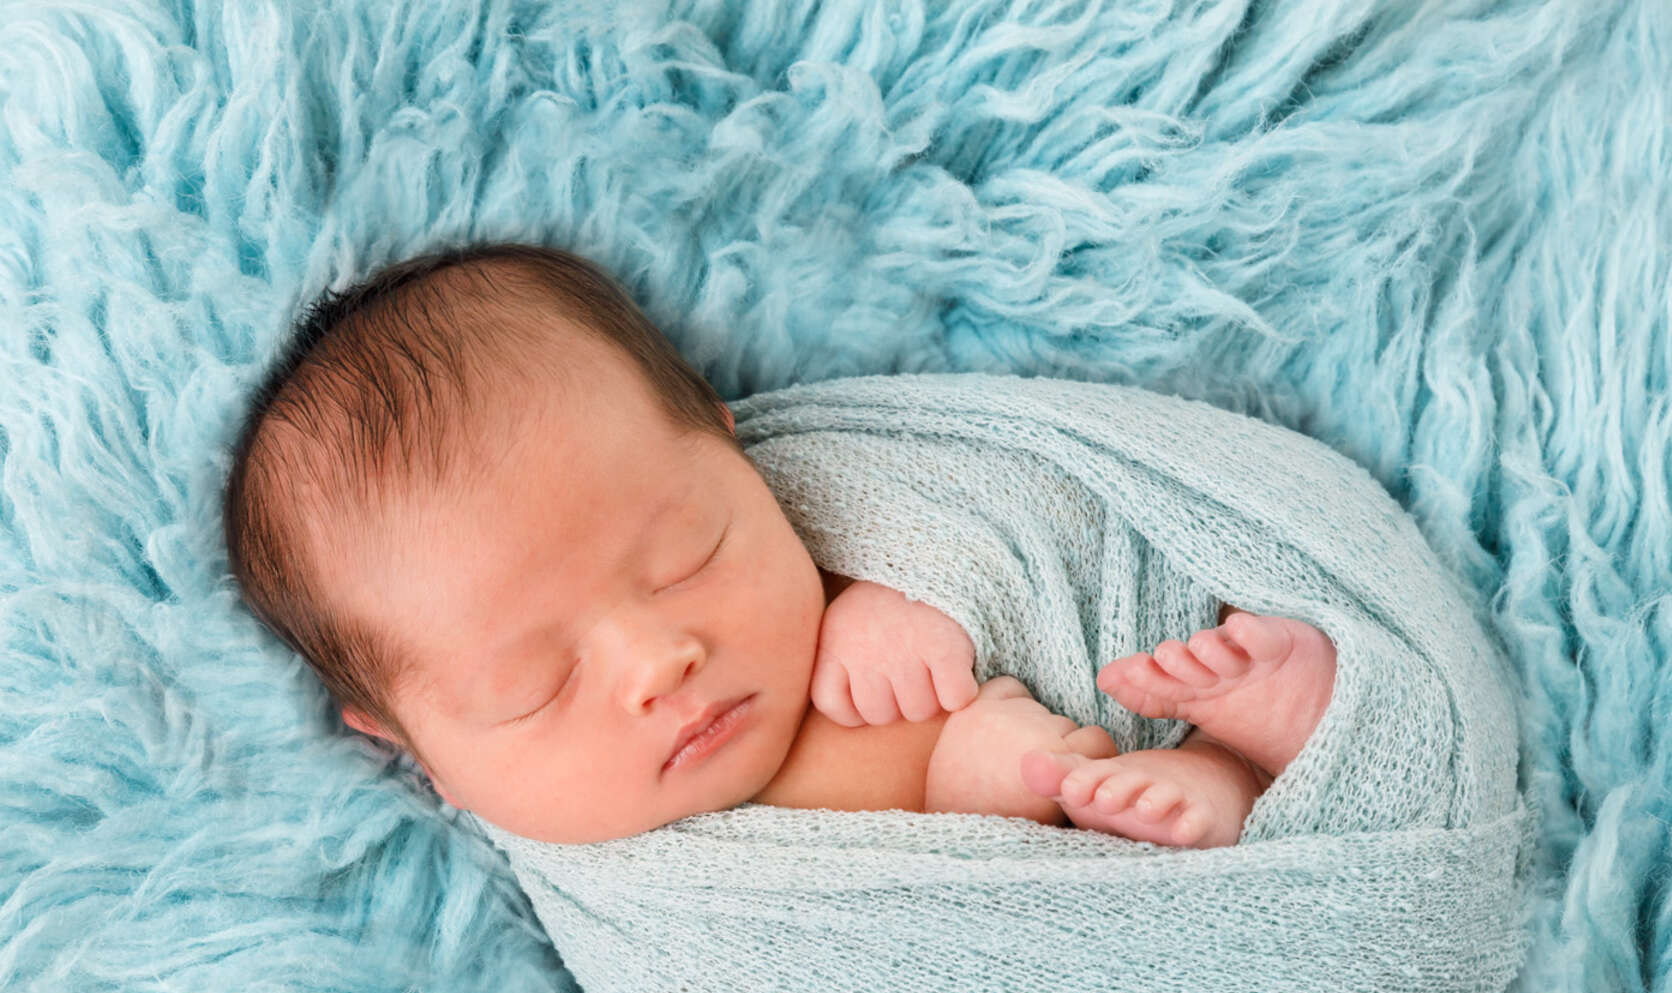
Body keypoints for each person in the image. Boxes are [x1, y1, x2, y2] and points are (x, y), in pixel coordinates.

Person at [223, 242, 1336, 848]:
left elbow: (998, 512)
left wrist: (913, 588)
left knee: (1165, 712)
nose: (660, 662)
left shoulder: (828, 552)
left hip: (1102, 711)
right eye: (531, 685)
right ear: (417, 751)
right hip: (1054, 947)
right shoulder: (644, 890)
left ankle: (1264, 755)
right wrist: (966, 792)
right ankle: (1212, 792)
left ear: (728, 447)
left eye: (689, 555)